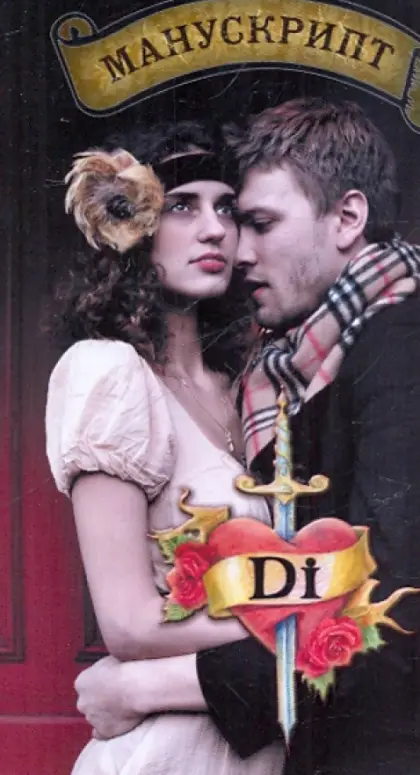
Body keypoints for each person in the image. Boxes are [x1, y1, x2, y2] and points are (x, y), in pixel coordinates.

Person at [72, 100, 420, 775]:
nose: (237, 249)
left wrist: (144, 686)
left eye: (260, 223)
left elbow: (391, 615)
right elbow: (374, 607)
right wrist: (384, 619)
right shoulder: (288, 379)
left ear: (348, 219)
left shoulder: (407, 343)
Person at [45, 121, 286, 774]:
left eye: (226, 208)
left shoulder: (242, 385)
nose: (214, 230)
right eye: (183, 206)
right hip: (169, 753)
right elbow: (129, 624)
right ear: (133, 225)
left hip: (256, 745)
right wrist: (310, 618)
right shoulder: (110, 373)